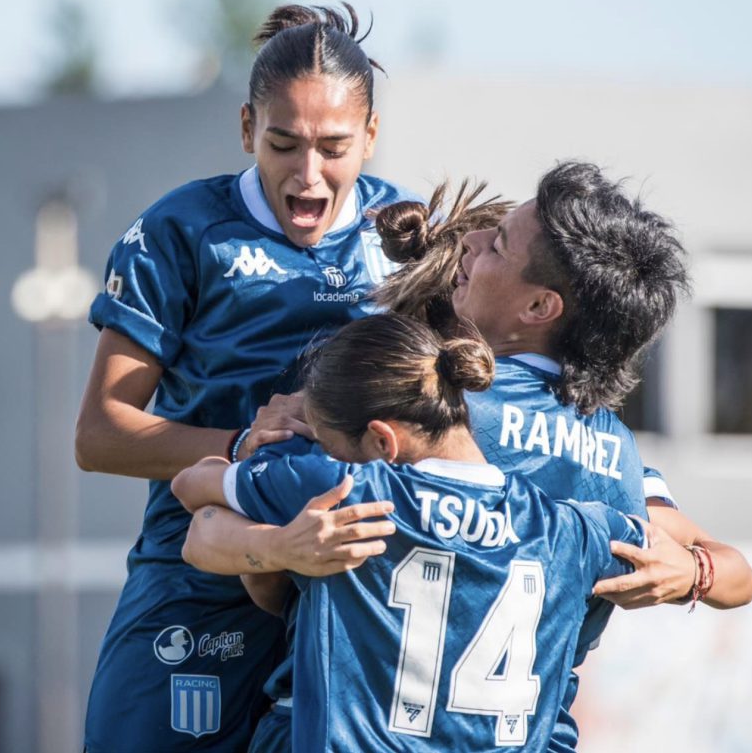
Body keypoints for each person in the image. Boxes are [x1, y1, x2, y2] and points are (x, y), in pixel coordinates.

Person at [75, 3, 420, 753]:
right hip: (200, 576)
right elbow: (99, 433)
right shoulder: (180, 231)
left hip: (344, 586)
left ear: (370, 135)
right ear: (244, 130)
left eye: (333, 147)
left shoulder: (405, 237)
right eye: (283, 143)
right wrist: (239, 443)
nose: (308, 173)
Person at [373, 163, 752, 750]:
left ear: (540, 309)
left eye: (497, 244)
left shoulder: (429, 400)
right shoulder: (612, 454)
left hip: (383, 730)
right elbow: (739, 576)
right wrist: (693, 573)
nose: (470, 243)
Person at [173, 313, 648, 753]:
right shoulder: (572, 531)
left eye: (328, 443)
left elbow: (191, 488)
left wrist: (275, 488)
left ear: (382, 441)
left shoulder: (349, 491)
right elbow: (656, 549)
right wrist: (698, 568)